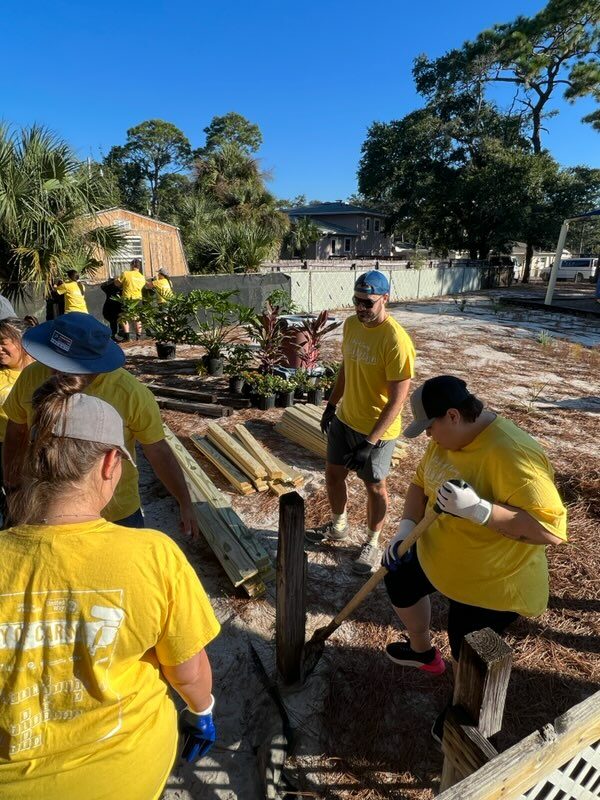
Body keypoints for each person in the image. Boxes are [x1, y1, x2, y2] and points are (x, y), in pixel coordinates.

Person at [0, 381, 220, 799]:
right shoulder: (153, 554)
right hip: (126, 774)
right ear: (108, 465)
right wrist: (202, 711)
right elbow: (188, 671)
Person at [381, 375, 567, 741]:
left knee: (467, 651)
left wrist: (482, 511)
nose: (429, 438)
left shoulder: (513, 453)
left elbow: (551, 531)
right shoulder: (450, 439)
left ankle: (464, 715)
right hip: (440, 552)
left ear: (453, 415)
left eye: (430, 428)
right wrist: (405, 526)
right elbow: (421, 482)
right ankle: (421, 652)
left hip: (491, 579)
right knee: (399, 580)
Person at [2, 312, 198, 534]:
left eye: (63, 365)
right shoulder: (31, 376)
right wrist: (12, 484)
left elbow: (158, 451)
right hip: (45, 507)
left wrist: (184, 501)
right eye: (53, 360)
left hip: (116, 511)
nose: (54, 371)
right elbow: (16, 431)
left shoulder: (130, 392)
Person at [308, 270, 415, 575]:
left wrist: (370, 443)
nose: (360, 308)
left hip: (376, 430)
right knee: (332, 476)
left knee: (375, 487)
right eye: (356, 301)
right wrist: (331, 404)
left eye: (367, 303)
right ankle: (339, 525)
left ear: (385, 299)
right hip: (345, 420)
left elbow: (398, 400)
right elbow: (346, 366)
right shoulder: (353, 325)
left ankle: (372, 541)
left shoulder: (396, 341)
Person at [0, 317, 37, 522]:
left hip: (32, 451)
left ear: (22, 342)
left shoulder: (41, 374)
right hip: (4, 448)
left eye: (3, 342)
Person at [115, 258, 146, 340]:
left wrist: (116, 279)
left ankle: (127, 337)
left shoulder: (126, 273)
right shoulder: (142, 277)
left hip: (127, 299)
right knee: (137, 318)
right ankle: (138, 337)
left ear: (132, 265)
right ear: (139, 267)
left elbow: (117, 284)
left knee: (124, 317)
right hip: (138, 299)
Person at [100, 276, 124, 340]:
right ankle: (114, 335)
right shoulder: (110, 287)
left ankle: (120, 334)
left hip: (117, 306)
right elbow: (102, 286)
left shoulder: (121, 288)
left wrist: (112, 281)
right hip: (111, 307)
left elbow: (103, 286)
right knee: (114, 322)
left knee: (119, 321)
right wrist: (112, 281)